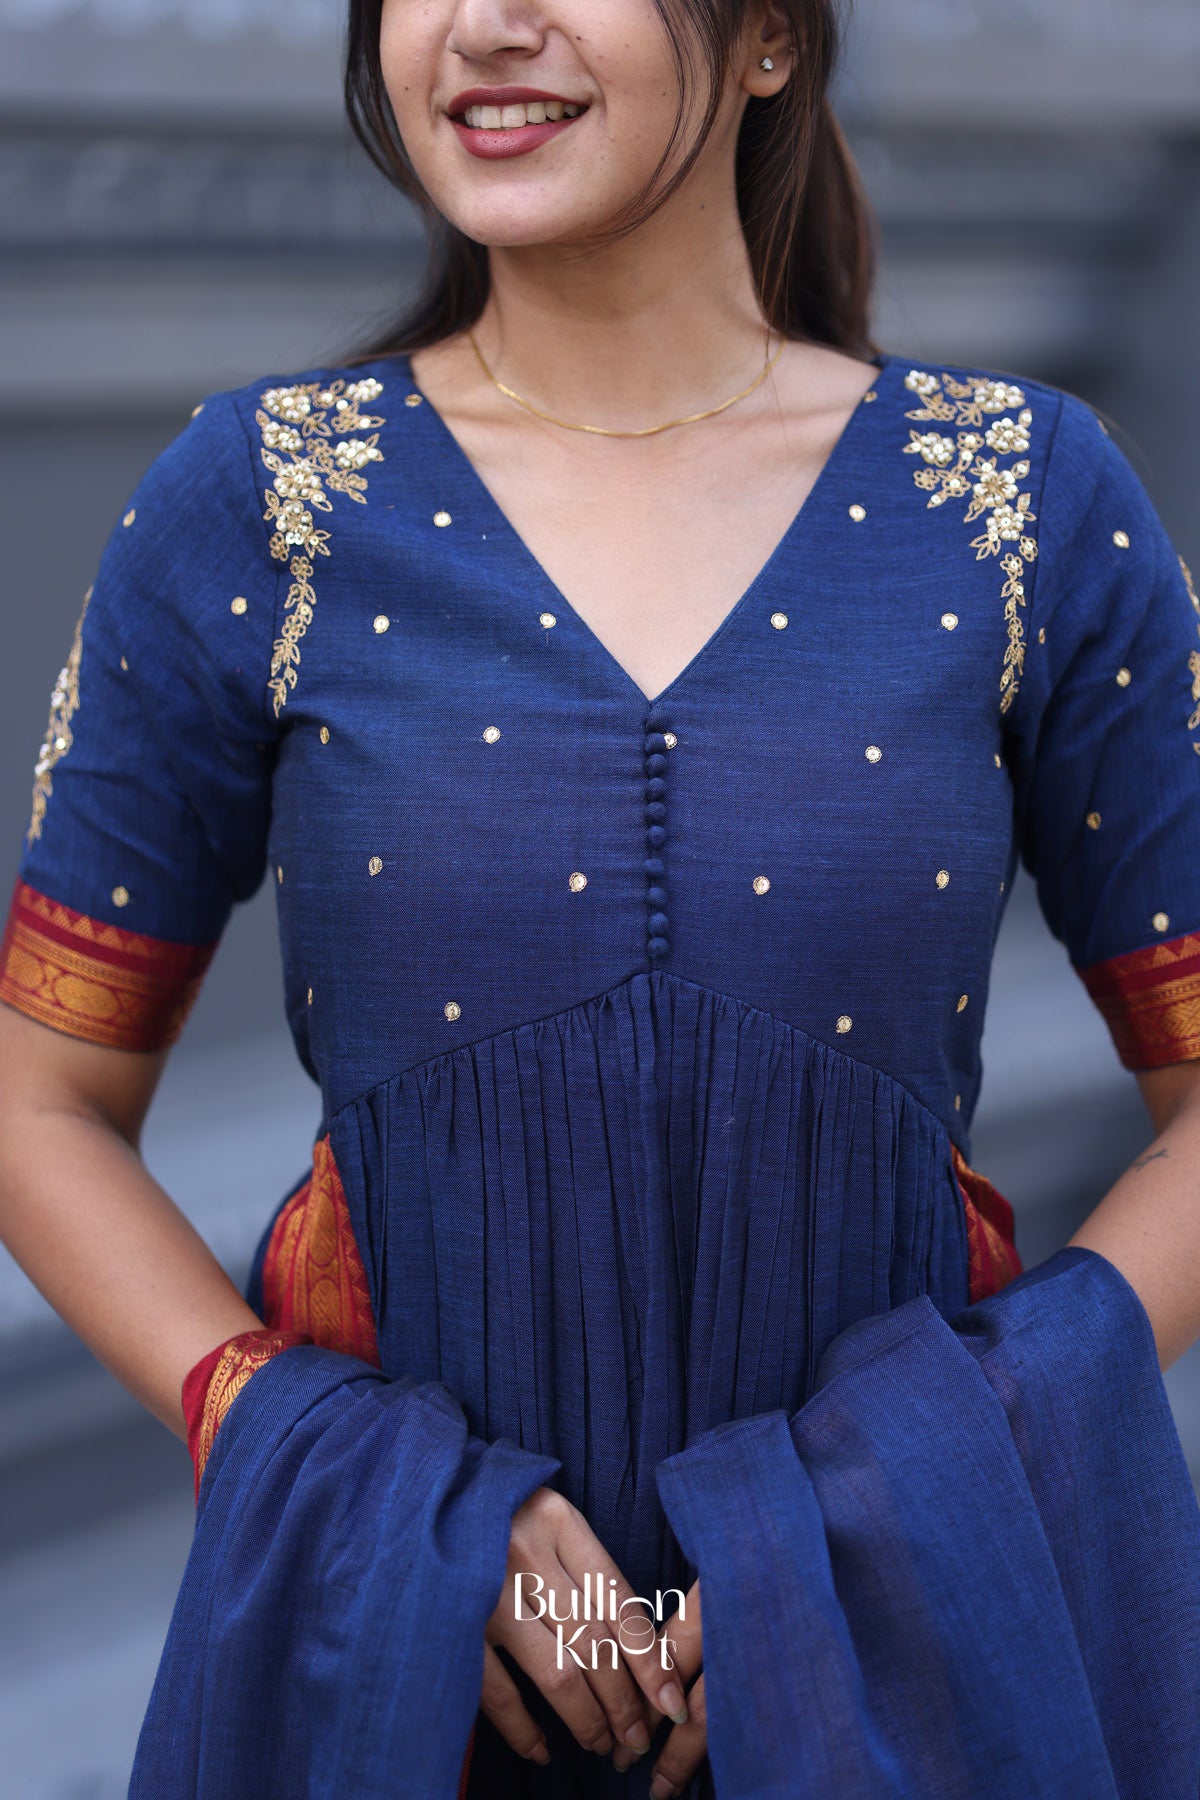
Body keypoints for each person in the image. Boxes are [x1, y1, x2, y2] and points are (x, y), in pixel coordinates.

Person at [2, 2, 1200, 1796]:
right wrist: (334, 1465)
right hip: (402, 1671)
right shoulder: (266, 505)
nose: (486, 28)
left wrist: (901, 1491)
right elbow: (41, 1101)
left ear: (771, 38)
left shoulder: (1017, 503)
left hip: (909, 1671)